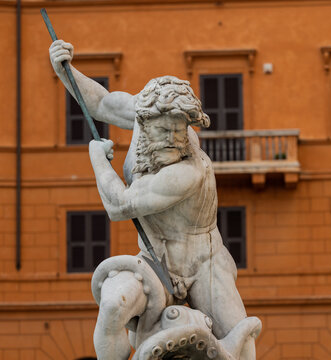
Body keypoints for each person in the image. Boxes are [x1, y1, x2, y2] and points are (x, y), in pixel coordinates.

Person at [49, 40, 258, 359]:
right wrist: (64, 68)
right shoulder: (141, 113)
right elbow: (101, 103)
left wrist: (98, 159)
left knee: (240, 344)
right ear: (144, 121)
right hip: (153, 258)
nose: (176, 140)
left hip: (204, 261)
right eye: (166, 131)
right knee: (111, 306)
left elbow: (119, 206)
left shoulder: (188, 170)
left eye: (181, 130)